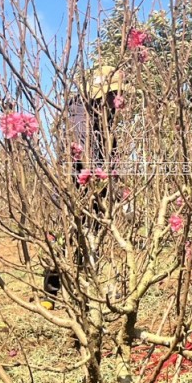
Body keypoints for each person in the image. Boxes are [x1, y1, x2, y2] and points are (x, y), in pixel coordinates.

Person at [41, 64, 122, 308]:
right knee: (68, 237)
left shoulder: (105, 117)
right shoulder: (79, 112)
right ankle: (52, 293)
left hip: (96, 186)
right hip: (77, 186)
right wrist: (97, 180)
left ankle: (83, 290)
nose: (117, 99)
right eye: (113, 94)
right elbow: (84, 151)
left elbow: (112, 152)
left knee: (89, 238)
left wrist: (114, 187)